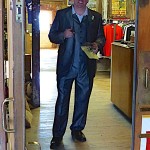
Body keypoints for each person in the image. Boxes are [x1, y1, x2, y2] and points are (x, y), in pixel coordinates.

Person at [48, 0, 105, 149]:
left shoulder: (96, 17)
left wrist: (97, 44)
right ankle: (57, 135)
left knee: (83, 99)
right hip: (66, 65)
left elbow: (101, 37)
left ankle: (77, 129)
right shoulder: (62, 15)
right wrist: (63, 35)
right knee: (62, 100)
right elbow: (52, 35)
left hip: (86, 66)